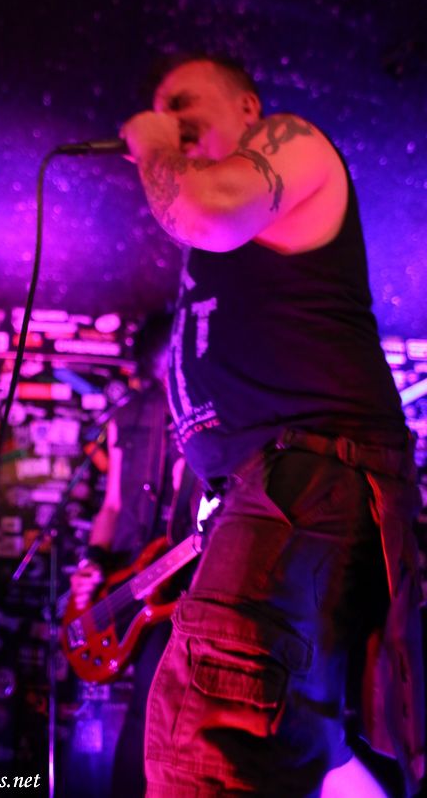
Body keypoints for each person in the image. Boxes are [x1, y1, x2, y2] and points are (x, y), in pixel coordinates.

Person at [120, 55, 425, 797]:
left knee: (207, 754)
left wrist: (154, 143)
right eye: (161, 108)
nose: (170, 117)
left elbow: (204, 210)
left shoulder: (293, 141)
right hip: (281, 486)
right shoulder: (236, 228)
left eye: (184, 103)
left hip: (307, 475)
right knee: (293, 745)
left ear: (248, 108)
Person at [70, 313, 200, 798]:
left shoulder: (209, 420)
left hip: (179, 582)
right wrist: (92, 562)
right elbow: (112, 505)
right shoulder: (126, 418)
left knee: (157, 705)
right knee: (142, 711)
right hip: (126, 580)